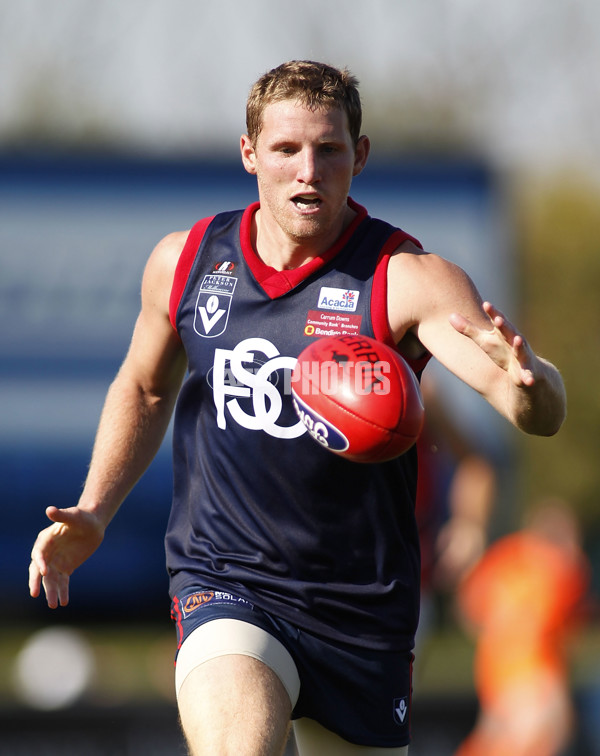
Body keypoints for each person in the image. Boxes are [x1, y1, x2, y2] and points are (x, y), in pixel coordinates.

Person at [29, 60, 567, 756]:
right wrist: (96, 509)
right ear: (250, 153)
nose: (307, 171)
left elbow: (525, 403)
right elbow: (144, 387)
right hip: (227, 579)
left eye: (329, 149)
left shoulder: (407, 279)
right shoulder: (187, 261)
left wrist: (534, 385)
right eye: (286, 149)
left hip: (361, 612)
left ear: (360, 156)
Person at [454, 498, 589, 756]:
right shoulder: (563, 568)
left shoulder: (502, 556)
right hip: (535, 683)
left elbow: (469, 611)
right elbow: (571, 631)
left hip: (499, 681)